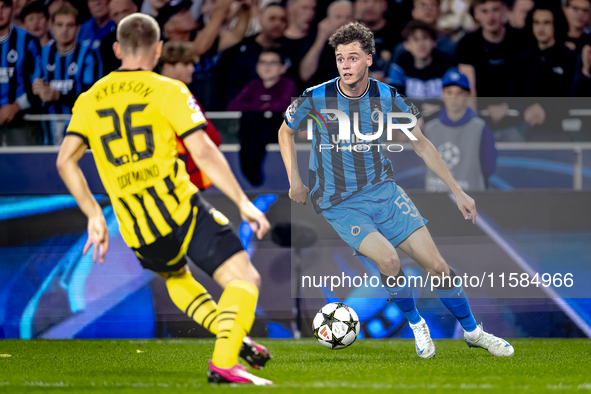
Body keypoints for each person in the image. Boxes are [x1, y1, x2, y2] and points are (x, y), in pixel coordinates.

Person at [56, 13, 273, 385]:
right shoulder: (167, 90)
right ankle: (223, 362)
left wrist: (93, 214)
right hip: (178, 208)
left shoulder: (89, 99)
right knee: (244, 278)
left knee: (176, 275)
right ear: (157, 49)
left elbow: (65, 161)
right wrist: (242, 201)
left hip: (136, 226)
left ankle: (229, 332)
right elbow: (203, 152)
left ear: (116, 49)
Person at [278, 22, 514, 359]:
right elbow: (284, 133)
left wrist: (458, 192)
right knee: (389, 261)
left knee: (438, 268)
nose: (346, 65)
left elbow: (422, 145)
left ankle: (474, 332)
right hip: (339, 202)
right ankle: (418, 325)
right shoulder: (316, 96)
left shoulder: (388, 97)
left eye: (353, 58)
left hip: (384, 192)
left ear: (369, 60)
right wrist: (295, 181)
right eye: (341, 59)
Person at [32, 3, 102, 145]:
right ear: (51, 27)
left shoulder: (89, 55)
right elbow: (34, 86)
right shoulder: (42, 53)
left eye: (69, 25)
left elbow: (91, 97)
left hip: (81, 130)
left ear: (77, 29)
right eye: (59, 25)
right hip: (47, 130)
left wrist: (57, 96)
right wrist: (36, 89)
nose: (64, 30)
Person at [157, 40, 222, 190]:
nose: (191, 69)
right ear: (167, 67)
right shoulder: (175, 95)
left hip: (174, 175)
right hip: (178, 177)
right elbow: (212, 138)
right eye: (185, 64)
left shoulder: (174, 93)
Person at [228, 49, 298, 186]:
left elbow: (283, 106)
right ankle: (249, 167)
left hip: (277, 131)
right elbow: (233, 106)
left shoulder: (287, 84)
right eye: (263, 62)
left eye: (272, 63)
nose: (267, 67)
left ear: (283, 67)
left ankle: (253, 168)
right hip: (251, 131)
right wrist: (264, 107)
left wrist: (256, 107)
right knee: (252, 121)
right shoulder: (254, 85)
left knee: (263, 121)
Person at [424, 68, 497, 191]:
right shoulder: (429, 128)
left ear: (468, 95)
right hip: (436, 201)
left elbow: (489, 166)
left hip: (472, 200)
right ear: (442, 94)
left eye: (459, 93)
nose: (454, 98)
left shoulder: (480, 128)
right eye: (449, 92)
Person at [512, 4, 576, 141]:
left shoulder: (570, 58)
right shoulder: (523, 59)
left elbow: (573, 97)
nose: (541, 28)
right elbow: (514, 95)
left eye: (546, 23)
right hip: (526, 129)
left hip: (560, 131)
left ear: (555, 25)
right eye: (537, 23)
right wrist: (526, 109)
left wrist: (547, 109)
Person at [0, 0, 41, 146]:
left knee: (24, 166)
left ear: (12, 9)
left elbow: (37, 85)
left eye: (3, 7)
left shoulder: (28, 42)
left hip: (22, 121)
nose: (0, 12)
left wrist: (16, 106)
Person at [386, 20, 456, 97]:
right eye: (415, 40)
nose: (421, 44)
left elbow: (454, 97)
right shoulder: (401, 61)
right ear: (406, 45)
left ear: (434, 42)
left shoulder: (446, 61)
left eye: (425, 38)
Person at [298, 0, 353, 86]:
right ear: (327, 21)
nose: (343, 21)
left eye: (348, 17)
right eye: (338, 17)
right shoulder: (314, 41)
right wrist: (321, 38)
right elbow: (305, 75)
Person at [100, 0, 138, 73]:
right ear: (111, 17)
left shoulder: (150, 33)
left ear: (135, 9)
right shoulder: (107, 42)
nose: (122, 17)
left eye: (125, 11)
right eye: (116, 14)